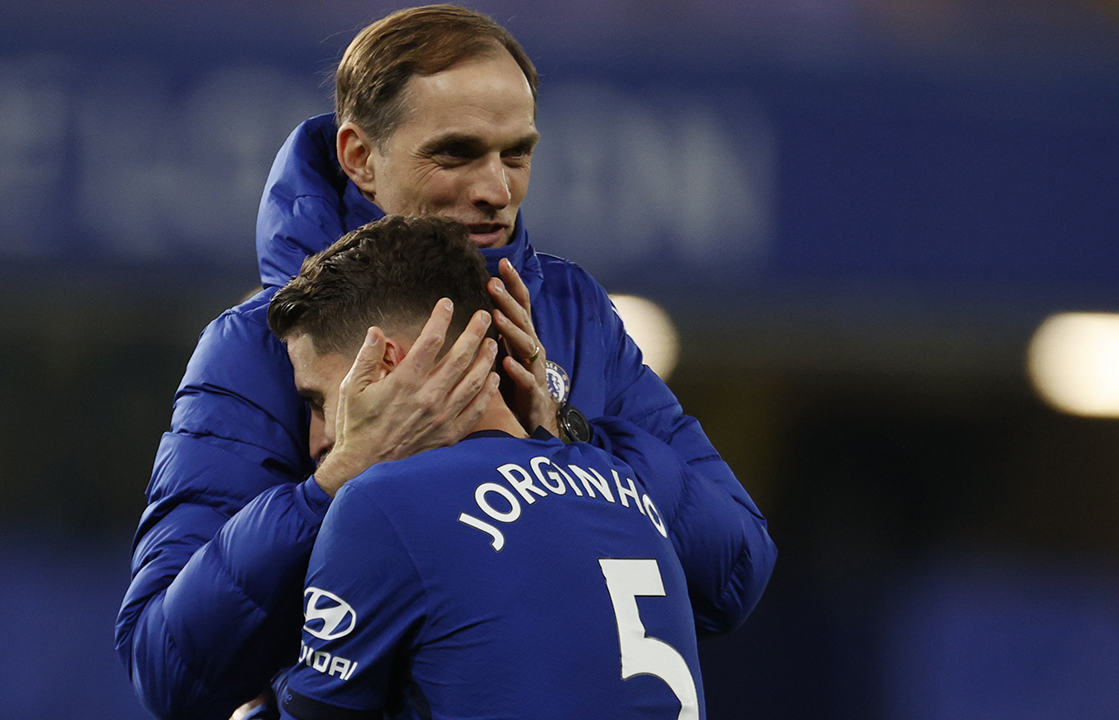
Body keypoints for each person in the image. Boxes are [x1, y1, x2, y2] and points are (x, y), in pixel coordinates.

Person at [115, 6, 776, 720]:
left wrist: (568, 438)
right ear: (360, 157)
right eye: (456, 154)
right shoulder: (257, 349)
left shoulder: (574, 318)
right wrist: (335, 482)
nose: (496, 190)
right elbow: (168, 667)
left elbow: (735, 576)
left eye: (516, 153)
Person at [270, 215, 721, 720]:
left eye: (315, 401)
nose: (316, 439)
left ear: (388, 367)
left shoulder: (384, 506)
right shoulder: (626, 488)